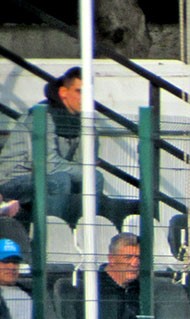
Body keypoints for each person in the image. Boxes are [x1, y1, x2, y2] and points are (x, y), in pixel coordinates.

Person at [0, 67, 129, 226]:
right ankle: (53, 234)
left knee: (90, 178)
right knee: (65, 179)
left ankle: (85, 230)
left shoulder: (83, 120)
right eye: (79, 91)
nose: (84, 98)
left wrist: (89, 132)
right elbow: (49, 166)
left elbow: (84, 162)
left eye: (88, 93)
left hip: (51, 177)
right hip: (14, 181)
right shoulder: (41, 115)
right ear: (63, 92)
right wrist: (85, 170)